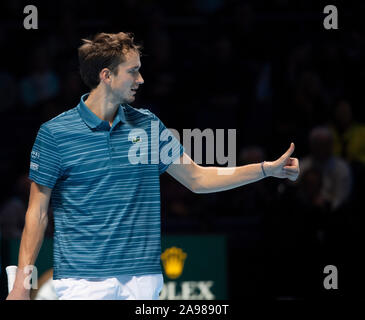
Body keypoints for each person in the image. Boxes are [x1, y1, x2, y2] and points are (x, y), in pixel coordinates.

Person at [7, 32, 299, 300]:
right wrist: (22, 283)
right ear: (106, 75)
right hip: (84, 280)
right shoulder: (55, 133)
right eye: (133, 71)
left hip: (143, 280)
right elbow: (37, 213)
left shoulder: (148, 126)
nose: (141, 79)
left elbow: (198, 178)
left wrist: (264, 169)